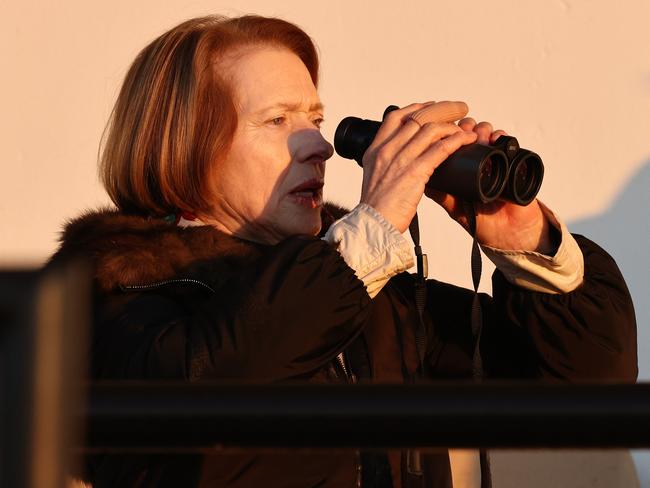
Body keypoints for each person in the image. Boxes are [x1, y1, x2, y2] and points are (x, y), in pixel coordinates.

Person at [49, 14, 637, 488]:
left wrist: (525, 240)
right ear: (185, 147)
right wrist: (370, 230)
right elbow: (212, 379)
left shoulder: (366, 292)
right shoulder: (105, 293)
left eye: (317, 118)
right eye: (276, 120)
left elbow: (583, 383)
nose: (319, 146)